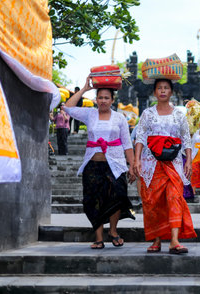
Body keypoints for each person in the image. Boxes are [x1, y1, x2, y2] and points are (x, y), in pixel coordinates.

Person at [63, 77, 136, 249]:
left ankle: (113, 231)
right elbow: (67, 107)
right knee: (93, 200)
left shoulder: (119, 118)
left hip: (115, 165)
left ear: (112, 100)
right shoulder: (90, 114)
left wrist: (132, 166)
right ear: (96, 99)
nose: (103, 101)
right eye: (100, 97)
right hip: (93, 165)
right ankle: (98, 237)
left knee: (118, 196)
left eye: (106, 98)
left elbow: (127, 144)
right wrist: (83, 89)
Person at [134, 79, 196, 254]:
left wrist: (189, 161)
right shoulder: (147, 113)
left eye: (166, 88)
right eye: (159, 88)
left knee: (175, 198)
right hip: (151, 163)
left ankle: (174, 241)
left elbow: (186, 139)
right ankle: (156, 239)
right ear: (154, 92)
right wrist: (137, 160)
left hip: (173, 163)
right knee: (153, 202)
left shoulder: (179, 114)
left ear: (171, 92)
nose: (162, 91)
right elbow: (140, 137)